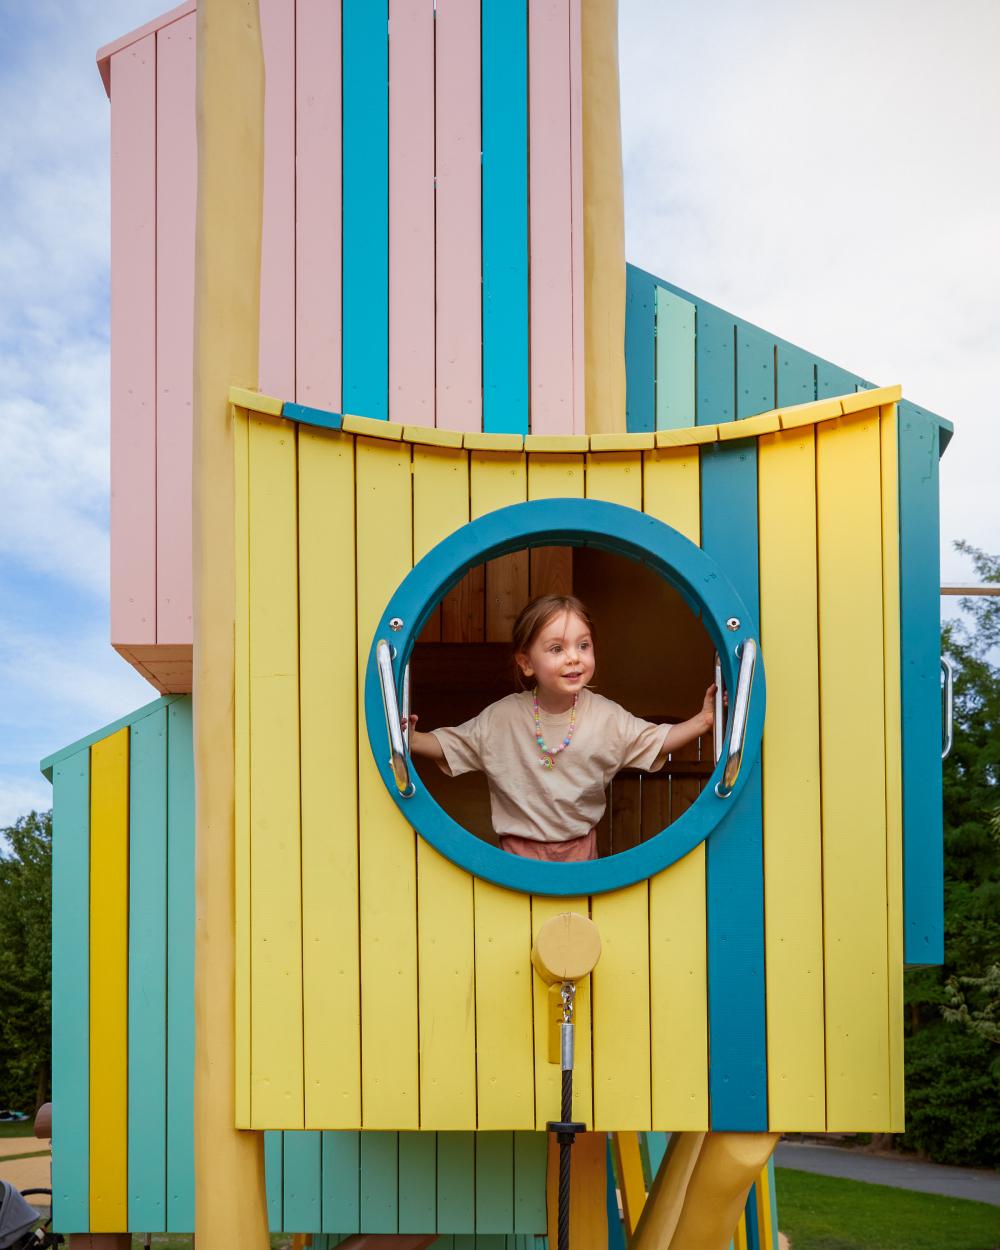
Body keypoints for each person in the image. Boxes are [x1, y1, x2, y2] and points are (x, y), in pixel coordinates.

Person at [405, 593, 717, 862]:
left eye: (583, 646)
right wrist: (410, 739)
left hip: (582, 850)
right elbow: (454, 745)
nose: (573, 658)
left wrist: (702, 721)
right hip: (516, 853)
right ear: (527, 663)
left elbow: (656, 739)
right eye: (557, 649)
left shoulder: (606, 716)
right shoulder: (503, 717)